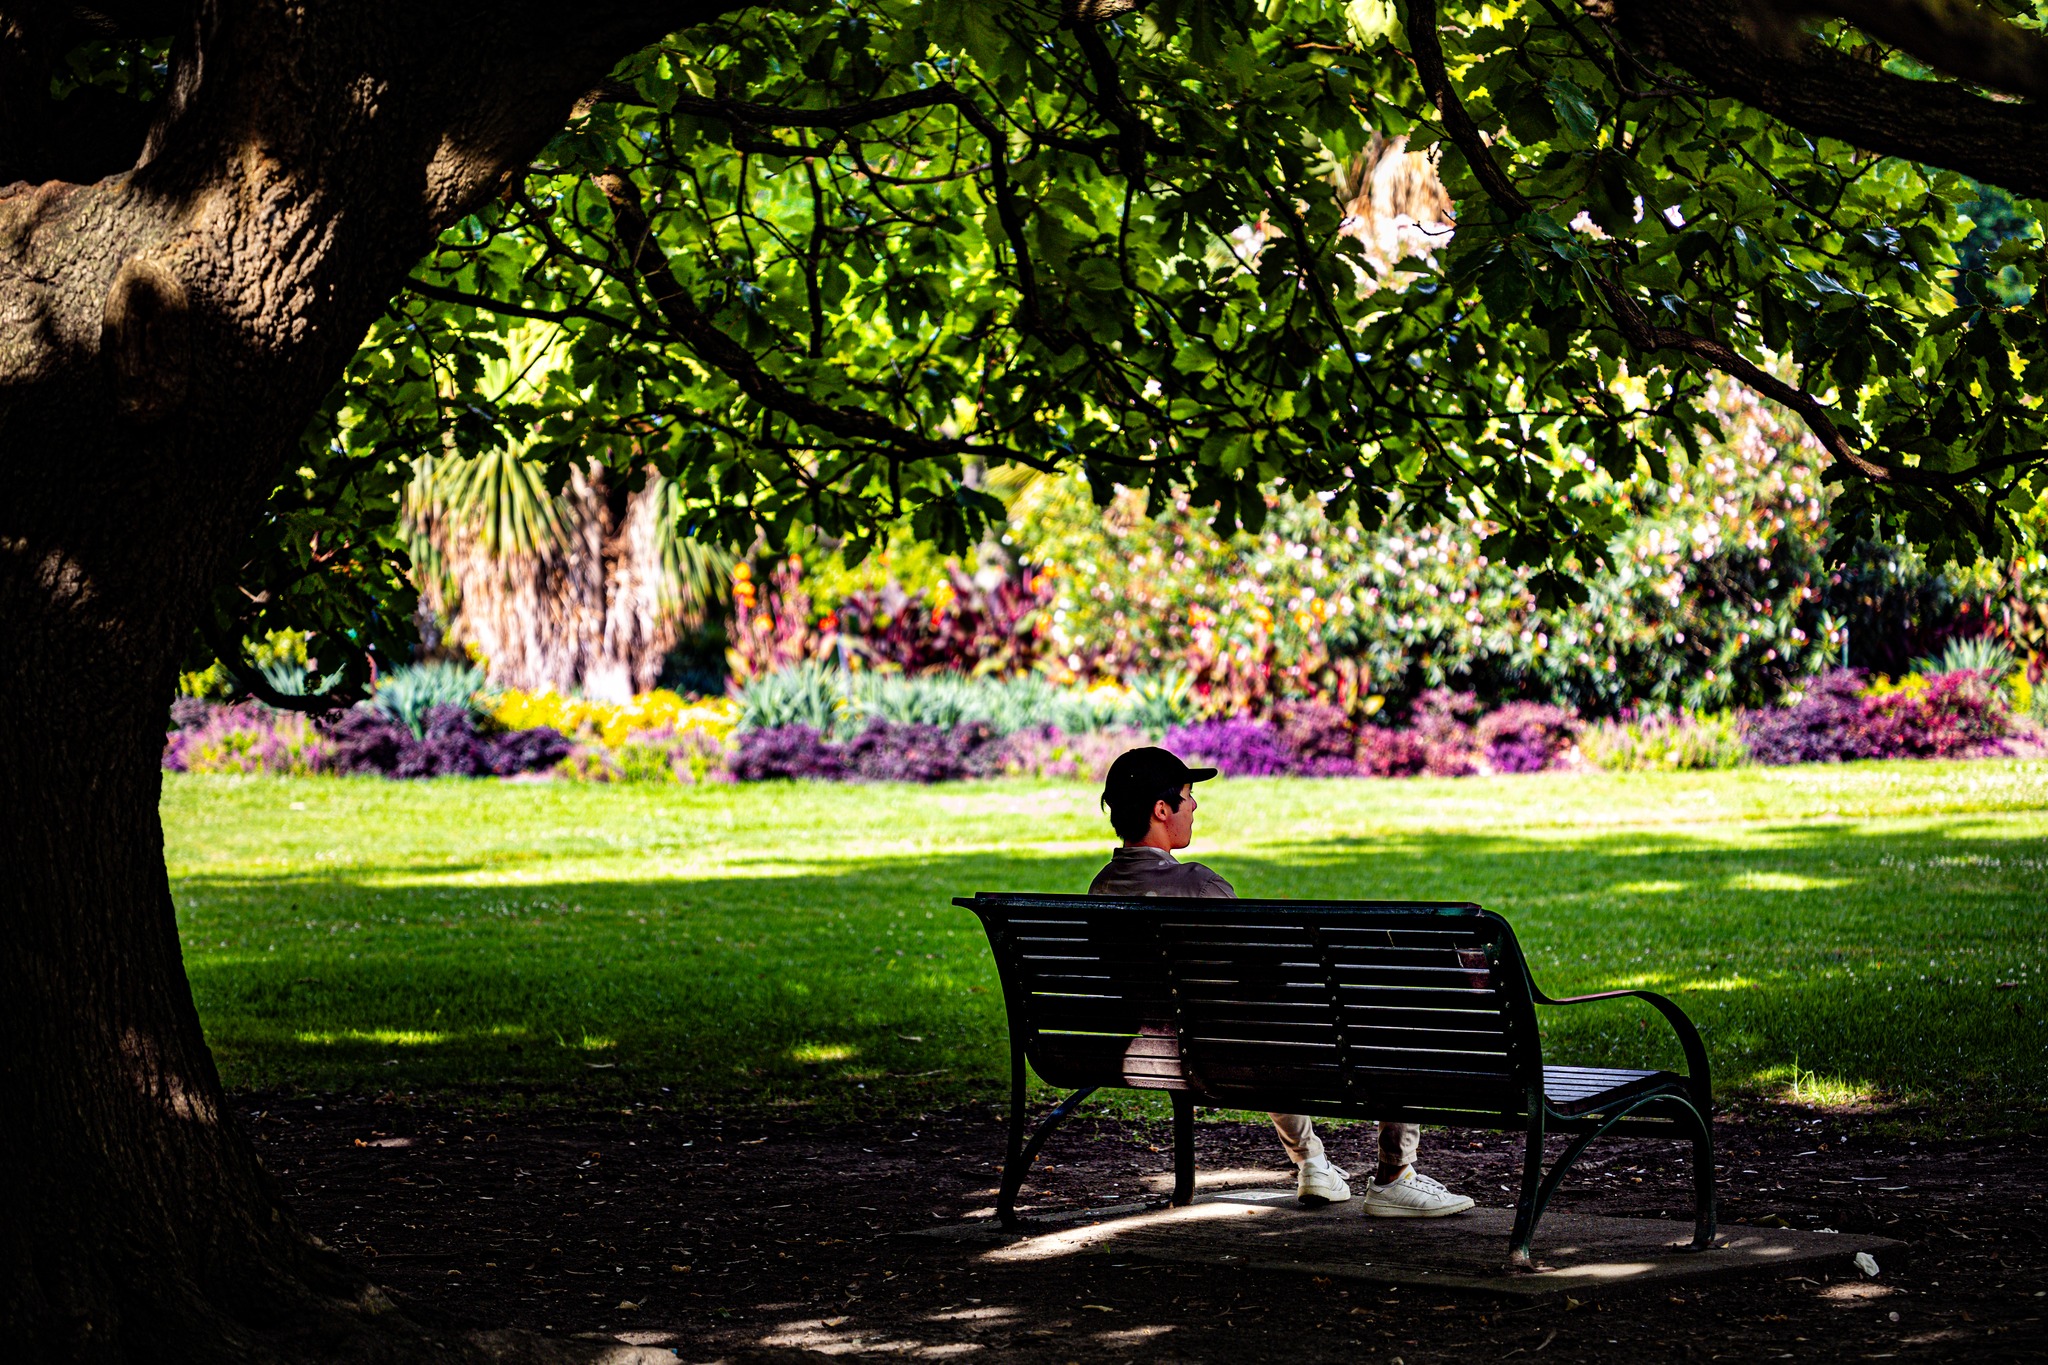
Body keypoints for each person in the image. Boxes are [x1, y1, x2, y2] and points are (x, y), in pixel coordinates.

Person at [1088, 746, 1475, 1217]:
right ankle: (1395, 1176)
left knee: (1250, 1032)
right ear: (1161, 809)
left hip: (1164, 1056)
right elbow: (1267, 979)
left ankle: (1313, 1164)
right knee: (1395, 1024)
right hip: (1242, 1056)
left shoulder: (1100, 891)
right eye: (1188, 796)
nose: (1194, 806)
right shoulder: (1199, 887)